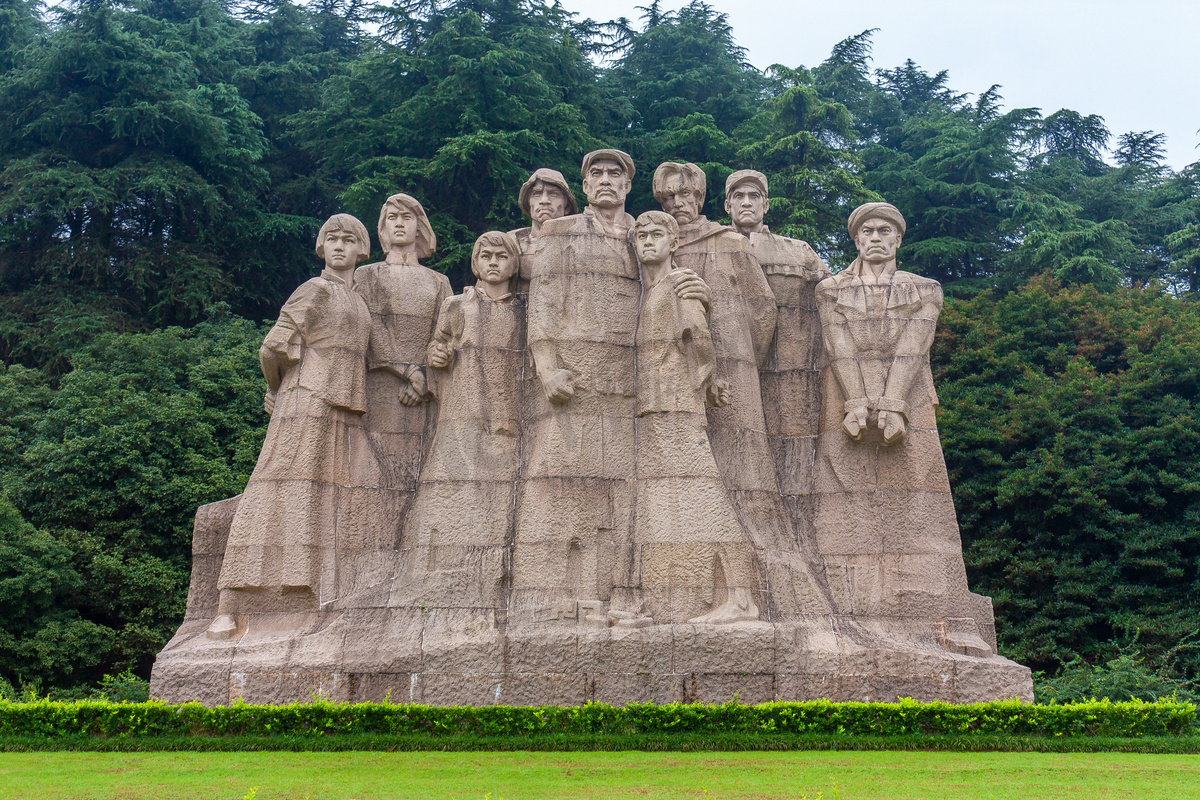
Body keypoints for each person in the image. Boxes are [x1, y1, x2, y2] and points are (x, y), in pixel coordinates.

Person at [514, 149, 709, 625]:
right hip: (574, 381)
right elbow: (541, 305)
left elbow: (667, 287)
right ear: (584, 186)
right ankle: (551, 598)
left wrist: (696, 291)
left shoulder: (642, 235)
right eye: (596, 173)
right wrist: (546, 367)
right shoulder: (560, 234)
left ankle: (618, 597)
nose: (605, 180)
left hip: (630, 384)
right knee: (560, 488)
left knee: (622, 496)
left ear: (627, 186)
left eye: (614, 174)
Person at [812, 202, 993, 655]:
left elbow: (915, 346)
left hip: (909, 396)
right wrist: (855, 401)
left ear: (898, 239)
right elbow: (838, 346)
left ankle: (941, 611)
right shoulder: (830, 290)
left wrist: (894, 405)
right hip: (844, 395)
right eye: (867, 231)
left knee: (920, 497)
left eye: (884, 231)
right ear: (855, 240)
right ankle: (846, 613)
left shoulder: (925, 288)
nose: (875, 237)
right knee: (843, 497)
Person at [653, 162, 832, 618]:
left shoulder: (728, 243)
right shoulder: (654, 241)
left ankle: (749, 592)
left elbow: (761, 309)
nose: (677, 202)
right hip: (671, 378)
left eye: (685, 195)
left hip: (732, 377)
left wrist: (739, 362)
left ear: (701, 197)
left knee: (743, 474)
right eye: (668, 197)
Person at [207, 214, 380, 638]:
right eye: (332, 239)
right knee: (276, 487)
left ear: (362, 248)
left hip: (343, 407)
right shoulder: (316, 288)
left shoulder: (357, 299)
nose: (340, 246)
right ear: (322, 247)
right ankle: (230, 602)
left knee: (322, 498)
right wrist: (277, 388)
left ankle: (310, 595)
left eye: (348, 239)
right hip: (307, 400)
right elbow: (273, 346)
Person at [631, 211, 759, 624]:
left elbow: (700, 339)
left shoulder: (681, 284)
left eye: (656, 235)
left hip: (675, 401)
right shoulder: (654, 289)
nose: (648, 242)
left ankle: (741, 598)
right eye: (641, 236)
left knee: (707, 497)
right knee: (678, 499)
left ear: (673, 242)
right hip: (656, 403)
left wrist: (705, 382)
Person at [390, 231, 525, 613]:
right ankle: (431, 574)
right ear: (475, 262)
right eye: (486, 255)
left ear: (514, 263)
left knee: (498, 495)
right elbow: (438, 353)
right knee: (447, 490)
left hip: (505, 415)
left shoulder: (524, 309)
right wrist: (437, 359)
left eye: (502, 255)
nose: (494, 262)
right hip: (460, 411)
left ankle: (488, 575)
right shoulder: (455, 304)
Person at [725, 169, 831, 551]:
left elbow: (833, 295)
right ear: (727, 205)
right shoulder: (713, 246)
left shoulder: (796, 250)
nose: (747, 203)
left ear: (766, 204)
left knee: (797, 454)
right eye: (739, 197)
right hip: (734, 373)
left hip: (793, 374)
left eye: (754, 196)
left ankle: (801, 540)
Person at [353, 193, 452, 587]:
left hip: (424, 394)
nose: (399, 223)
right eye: (391, 217)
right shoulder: (366, 275)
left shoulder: (439, 281)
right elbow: (366, 326)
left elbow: (446, 333)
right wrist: (405, 370)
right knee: (376, 471)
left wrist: (426, 378)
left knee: (420, 472)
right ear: (382, 227)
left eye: (406, 217)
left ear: (419, 225)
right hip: (380, 387)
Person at [509, 168, 578, 295]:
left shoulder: (580, 242)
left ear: (567, 206)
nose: (544, 200)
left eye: (554, 194)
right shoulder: (512, 243)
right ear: (528, 203)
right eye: (537, 193)